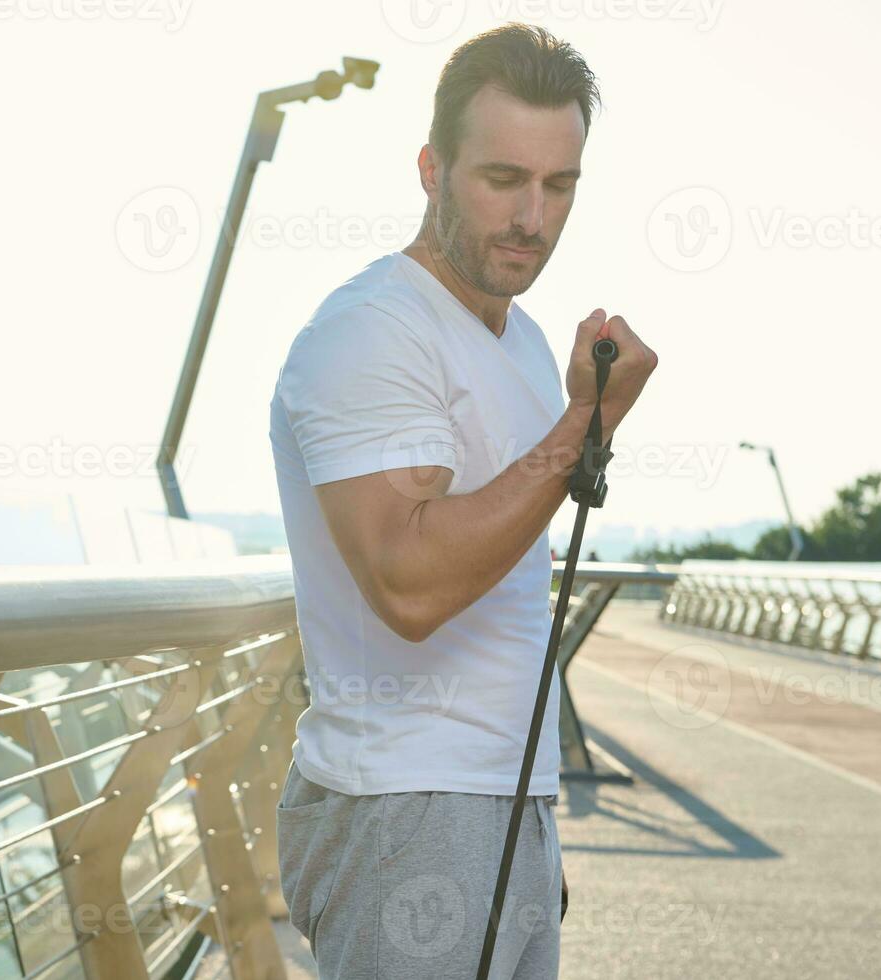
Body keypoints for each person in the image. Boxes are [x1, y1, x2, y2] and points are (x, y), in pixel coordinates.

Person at [267, 23, 657, 979]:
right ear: (430, 170)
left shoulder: (521, 342)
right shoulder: (370, 330)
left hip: (506, 803)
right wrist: (582, 425)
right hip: (404, 810)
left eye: (556, 186)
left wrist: (530, 828)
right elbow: (409, 584)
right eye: (501, 179)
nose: (531, 216)